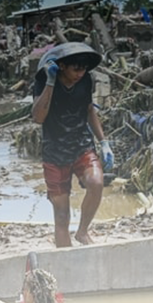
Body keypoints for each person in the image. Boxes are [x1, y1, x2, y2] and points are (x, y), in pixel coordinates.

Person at [31, 42, 114, 247]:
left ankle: (83, 231)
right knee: (61, 215)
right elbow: (38, 117)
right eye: (75, 68)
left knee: (96, 182)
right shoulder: (43, 80)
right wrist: (51, 82)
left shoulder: (86, 80)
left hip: (81, 144)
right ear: (62, 66)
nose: (80, 73)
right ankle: (65, 258)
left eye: (83, 68)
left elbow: (89, 110)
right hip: (55, 151)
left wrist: (103, 142)